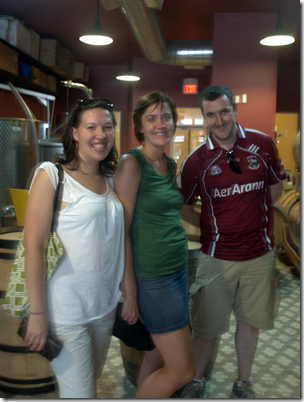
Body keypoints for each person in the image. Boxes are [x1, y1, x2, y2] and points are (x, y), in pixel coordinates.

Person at [179, 85, 286, 398]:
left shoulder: (262, 144)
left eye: (224, 111)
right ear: (204, 118)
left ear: (235, 110)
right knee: (206, 327)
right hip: (216, 256)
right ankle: (197, 380)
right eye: (210, 115)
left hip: (259, 254)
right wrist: (214, 227)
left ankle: (243, 383)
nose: (219, 120)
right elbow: (185, 206)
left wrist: (254, 215)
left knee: (249, 322)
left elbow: (275, 189)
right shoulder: (196, 161)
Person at [23, 98, 129, 398]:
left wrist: (127, 291)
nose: (101, 135)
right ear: (74, 133)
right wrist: (38, 312)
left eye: (108, 127)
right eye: (91, 127)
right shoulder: (52, 176)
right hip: (64, 312)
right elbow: (34, 246)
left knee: (89, 382)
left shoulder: (109, 178)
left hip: (104, 307)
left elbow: (118, 239)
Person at [113, 91, 196, 398]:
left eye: (166, 117)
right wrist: (130, 292)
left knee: (156, 354)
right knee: (183, 370)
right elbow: (120, 231)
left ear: (174, 122)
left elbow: (175, 211)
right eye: (152, 118)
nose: (160, 124)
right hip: (152, 277)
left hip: (177, 269)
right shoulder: (132, 163)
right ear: (140, 126)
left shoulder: (168, 162)